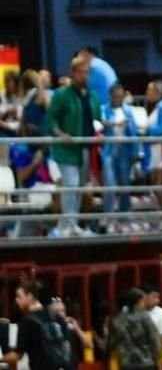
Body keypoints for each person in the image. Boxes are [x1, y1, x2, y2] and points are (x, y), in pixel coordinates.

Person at [47, 55, 100, 237]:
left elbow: (97, 120)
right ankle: (66, 225)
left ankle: (71, 223)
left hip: (85, 147)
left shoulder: (92, 96)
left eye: (87, 73)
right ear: (74, 73)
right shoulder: (62, 94)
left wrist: (99, 133)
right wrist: (60, 134)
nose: (85, 76)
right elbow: (51, 118)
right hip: (67, 148)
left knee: (78, 187)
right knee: (71, 183)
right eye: (82, 72)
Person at [99, 82, 138, 232]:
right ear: (110, 97)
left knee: (124, 182)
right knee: (109, 182)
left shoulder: (128, 111)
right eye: (116, 97)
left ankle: (125, 213)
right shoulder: (104, 109)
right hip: (110, 149)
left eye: (121, 97)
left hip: (125, 149)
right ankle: (108, 213)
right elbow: (101, 123)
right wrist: (115, 123)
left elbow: (133, 131)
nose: (119, 99)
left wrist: (135, 152)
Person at [142, 283, 162, 353]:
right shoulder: (129, 311)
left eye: (158, 297)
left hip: (155, 352)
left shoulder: (161, 312)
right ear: (144, 296)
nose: (158, 301)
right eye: (154, 297)